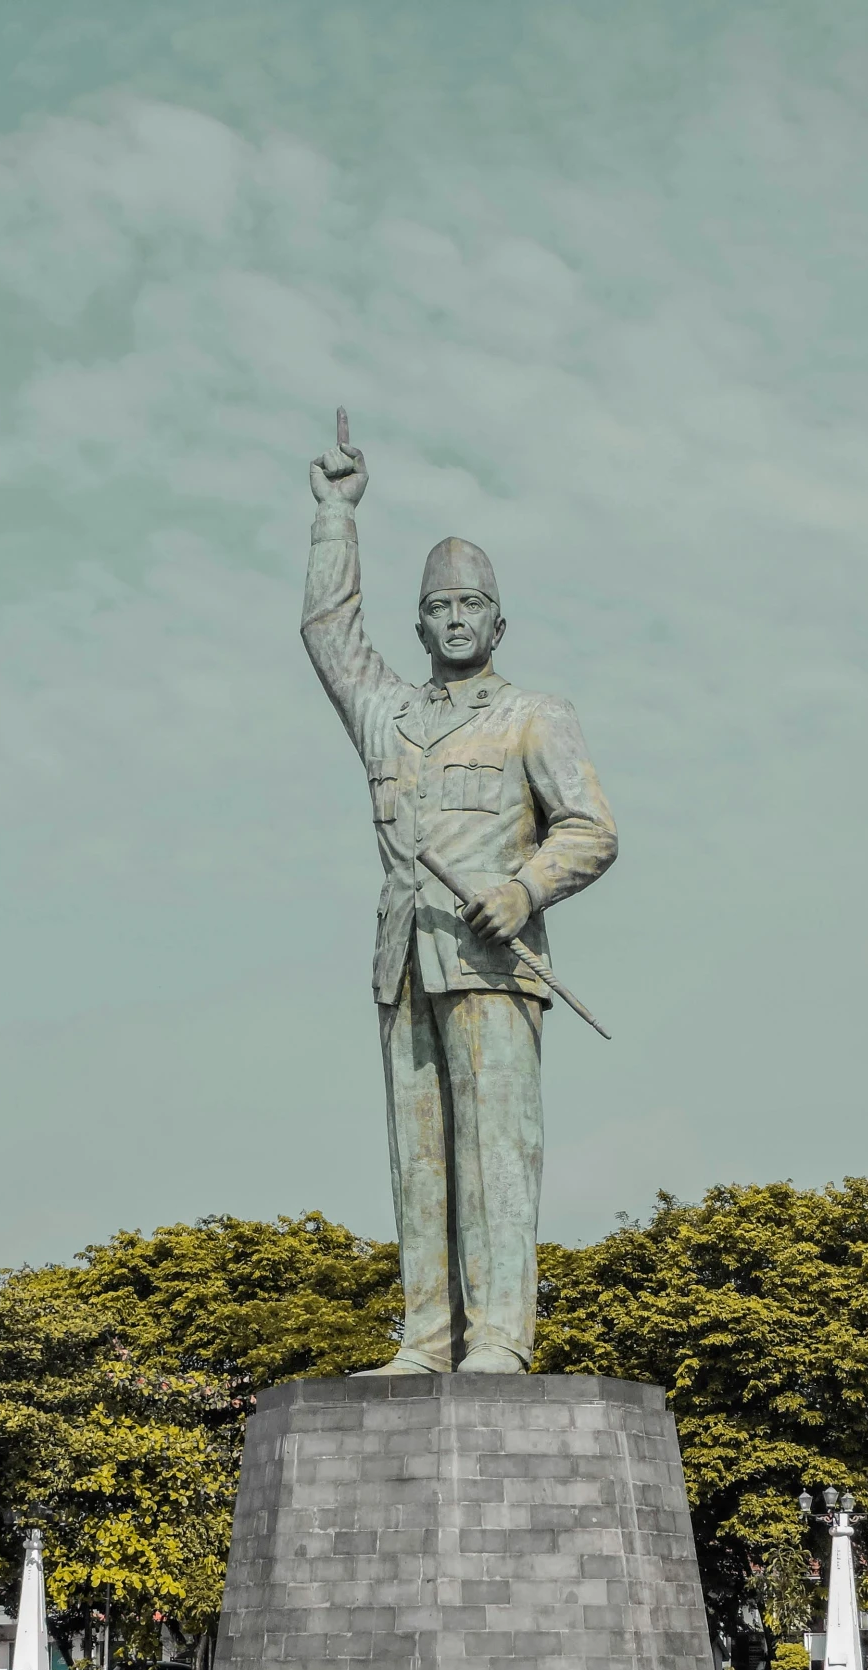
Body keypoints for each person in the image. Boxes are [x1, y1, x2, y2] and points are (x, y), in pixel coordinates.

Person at [301, 417, 618, 1373]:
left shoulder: (534, 716)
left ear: (498, 622)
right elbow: (328, 634)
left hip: (490, 963)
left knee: (494, 1159)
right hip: (405, 960)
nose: (454, 619)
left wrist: (523, 891)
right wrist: (335, 518)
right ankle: (426, 1339)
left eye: (472, 604)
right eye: (438, 606)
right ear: (421, 622)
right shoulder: (388, 717)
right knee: (421, 1163)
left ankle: (501, 1342)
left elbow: (592, 830)